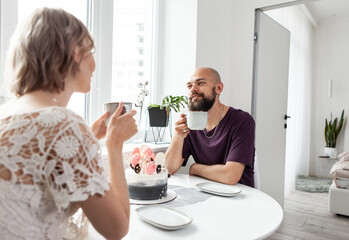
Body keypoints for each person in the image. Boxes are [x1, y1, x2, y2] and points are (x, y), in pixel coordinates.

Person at [0, 8, 137, 239]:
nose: (94, 64)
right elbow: (117, 229)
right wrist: (114, 144)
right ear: (75, 52)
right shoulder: (64, 124)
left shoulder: (7, 113)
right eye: (91, 51)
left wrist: (88, 140)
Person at [165, 67, 255, 187]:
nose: (193, 89)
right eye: (189, 86)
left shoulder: (241, 120)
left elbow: (230, 175)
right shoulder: (190, 124)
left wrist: (195, 168)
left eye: (200, 83)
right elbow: (169, 168)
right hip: (206, 193)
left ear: (218, 88)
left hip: (240, 197)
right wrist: (178, 136)